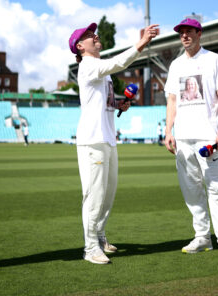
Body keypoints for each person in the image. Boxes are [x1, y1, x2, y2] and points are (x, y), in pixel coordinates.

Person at [70, 21, 159, 264]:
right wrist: (141, 43)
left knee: (107, 195)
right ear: (80, 46)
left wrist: (118, 105)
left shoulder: (101, 70)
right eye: (90, 35)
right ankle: (90, 249)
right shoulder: (88, 65)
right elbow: (119, 63)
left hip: (107, 138)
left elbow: (102, 101)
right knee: (94, 195)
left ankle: (99, 236)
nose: (95, 36)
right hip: (92, 139)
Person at [164, 17, 218, 263]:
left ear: (199, 34)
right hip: (183, 139)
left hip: (208, 137)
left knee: (215, 190)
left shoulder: (213, 60)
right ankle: (203, 237)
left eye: (189, 32)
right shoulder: (175, 65)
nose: (184, 36)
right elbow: (172, 100)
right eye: (181, 32)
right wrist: (168, 132)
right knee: (192, 191)